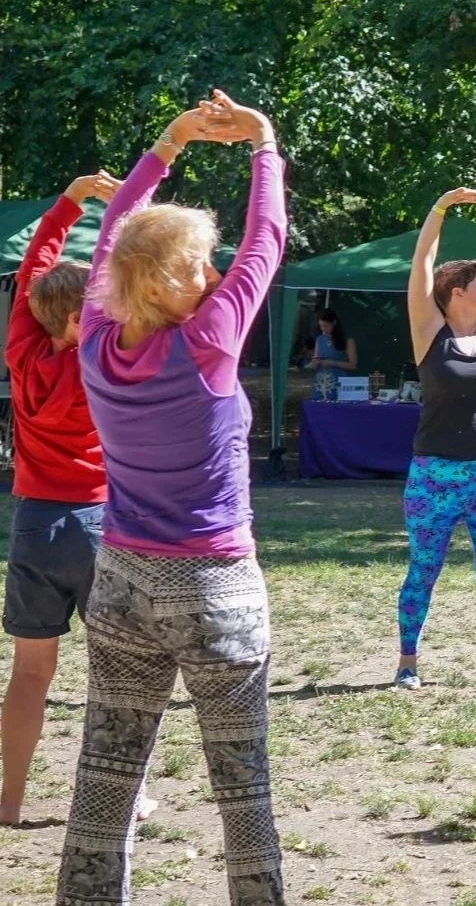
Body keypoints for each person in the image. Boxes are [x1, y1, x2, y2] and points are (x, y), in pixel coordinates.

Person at [56, 90, 287, 906]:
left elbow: (116, 229)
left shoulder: (93, 330)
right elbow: (269, 238)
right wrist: (261, 142)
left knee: (104, 778)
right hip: (214, 586)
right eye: (198, 263)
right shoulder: (209, 342)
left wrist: (170, 143)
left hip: (118, 581)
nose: (215, 272)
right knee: (242, 788)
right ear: (161, 280)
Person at [1, 173, 126, 826]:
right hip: (103, 524)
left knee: (29, 675)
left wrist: (69, 201)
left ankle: (11, 802)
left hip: (34, 524)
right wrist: (114, 212)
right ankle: (119, 807)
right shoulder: (100, 361)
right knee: (118, 675)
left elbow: (34, 272)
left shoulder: (22, 349)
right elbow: (97, 282)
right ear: (86, 316)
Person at [396, 184, 476, 690]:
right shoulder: (431, 332)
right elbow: (421, 266)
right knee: (421, 572)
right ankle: (408, 663)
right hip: (433, 474)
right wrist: (440, 208)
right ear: (457, 293)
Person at [309, 306, 357, 399]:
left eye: (326, 326)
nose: (323, 329)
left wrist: (331, 363)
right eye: (321, 326)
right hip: (321, 381)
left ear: (334, 323)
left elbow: (353, 365)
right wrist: (315, 363)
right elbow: (316, 358)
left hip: (338, 381)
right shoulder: (320, 339)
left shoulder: (347, 340)